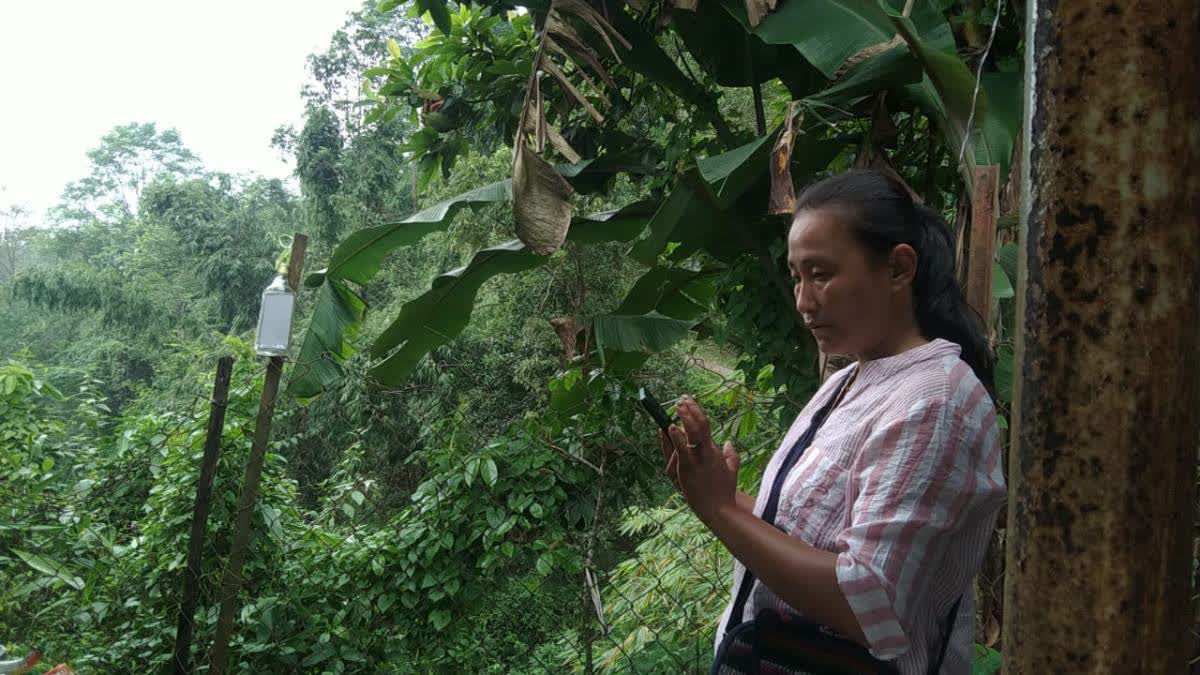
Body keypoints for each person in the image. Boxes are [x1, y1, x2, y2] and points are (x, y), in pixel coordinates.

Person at [659, 170, 1006, 674]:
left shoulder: (936, 400)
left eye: (821, 274)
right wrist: (713, 491)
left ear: (898, 268)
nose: (803, 301)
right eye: (798, 276)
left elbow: (871, 606)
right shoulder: (852, 380)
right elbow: (804, 538)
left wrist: (722, 514)